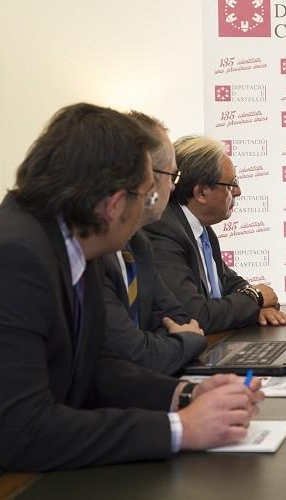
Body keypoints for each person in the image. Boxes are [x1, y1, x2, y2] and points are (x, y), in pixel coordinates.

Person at [0, 103, 263, 480]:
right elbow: (24, 432)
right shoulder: (12, 257)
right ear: (115, 204)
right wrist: (181, 428)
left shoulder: (73, 240)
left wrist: (186, 395)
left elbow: (94, 367)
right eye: (147, 195)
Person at [144, 135, 286, 333]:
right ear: (201, 193)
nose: (238, 191)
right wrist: (255, 297)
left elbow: (228, 281)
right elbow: (195, 316)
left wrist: (256, 304)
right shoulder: (163, 230)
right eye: (232, 184)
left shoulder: (201, 229)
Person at [101, 112, 206, 375]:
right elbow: (133, 353)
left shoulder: (138, 243)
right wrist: (184, 341)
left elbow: (177, 316)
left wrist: (159, 343)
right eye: (173, 176)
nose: (173, 188)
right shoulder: (97, 251)